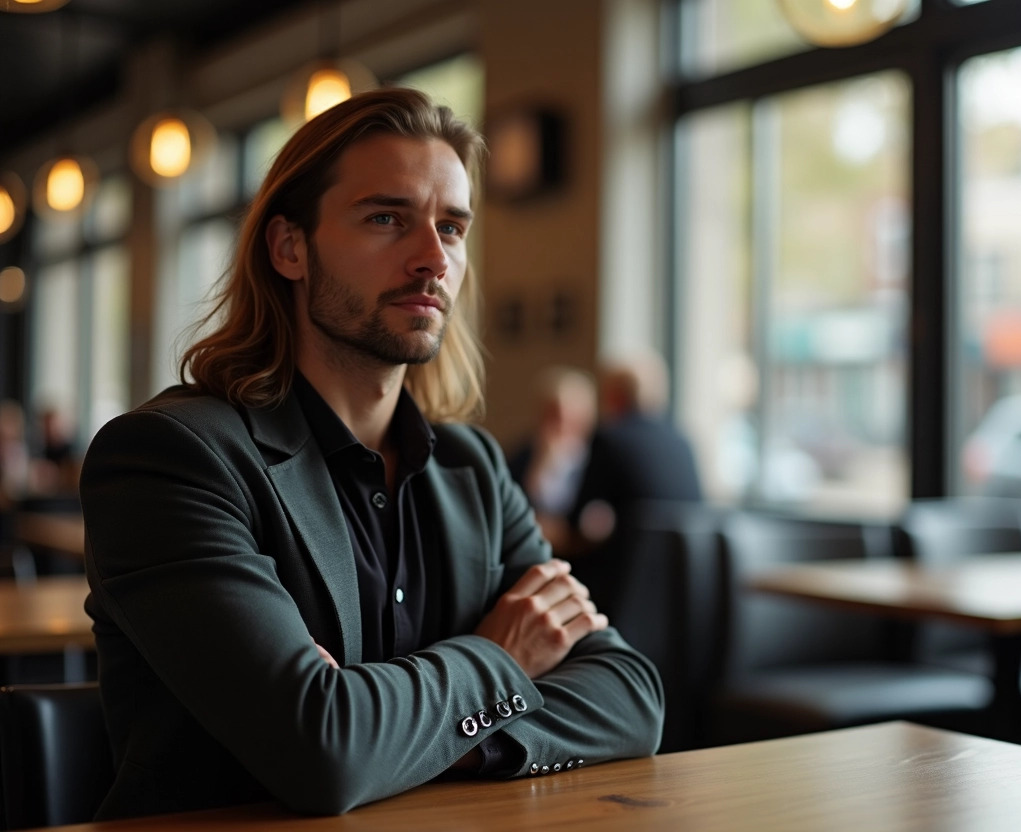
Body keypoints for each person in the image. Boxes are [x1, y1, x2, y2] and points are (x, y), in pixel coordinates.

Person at [80, 89, 664, 821]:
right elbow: (320, 753)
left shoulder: (474, 470)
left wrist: (393, 733)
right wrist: (503, 660)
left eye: (451, 227)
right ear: (289, 247)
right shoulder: (170, 458)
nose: (433, 258)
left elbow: (631, 696)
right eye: (387, 218)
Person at [568, 350, 703, 545]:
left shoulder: (609, 439)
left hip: (626, 568)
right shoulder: (684, 441)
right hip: (683, 569)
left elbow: (577, 518)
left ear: (614, 395)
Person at [507, 366, 597, 552]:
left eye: (571, 416)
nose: (562, 424)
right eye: (554, 414)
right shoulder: (520, 458)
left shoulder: (600, 460)